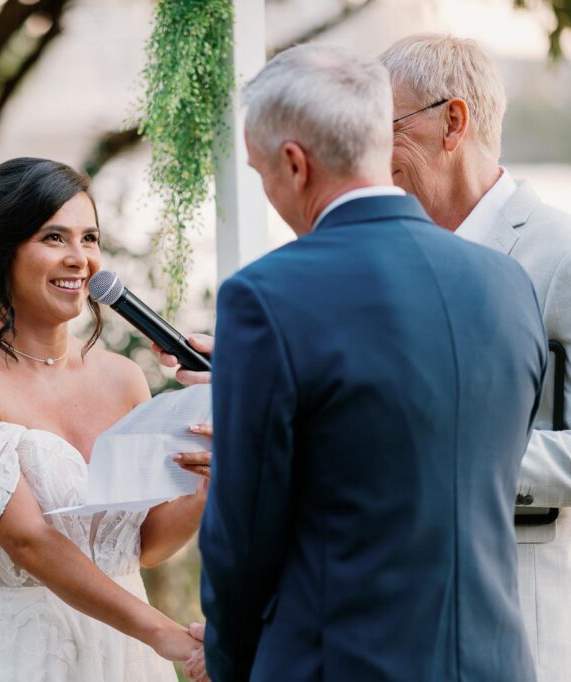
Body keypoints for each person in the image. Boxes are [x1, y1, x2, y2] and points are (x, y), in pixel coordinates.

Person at [199, 45, 545, 681]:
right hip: (494, 663)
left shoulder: (265, 297)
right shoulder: (506, 283)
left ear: (295, 164)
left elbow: (242, 540)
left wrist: (229, 662)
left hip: (342, 662)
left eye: (260, 172)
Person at [0, 157, 206, 681]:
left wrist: (209, 485)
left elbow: (144, 547)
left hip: (124, 653)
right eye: (54, 238)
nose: (81, 259)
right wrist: (169, 636)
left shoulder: (124, 379)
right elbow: (30, 542)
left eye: (89, 238)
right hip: (19, 656)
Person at [380, 34, 571, 680]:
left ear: (452, 123)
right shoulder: (393, 259)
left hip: (525, 620)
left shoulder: (560, 254)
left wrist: (453, 455)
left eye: (386, 128)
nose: (371, 157)